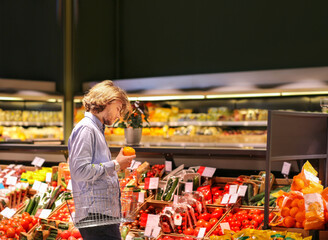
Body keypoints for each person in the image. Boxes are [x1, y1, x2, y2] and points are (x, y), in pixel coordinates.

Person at [68, 80, 136, 240]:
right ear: (106, 101)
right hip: (95, 216)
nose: (119, 116)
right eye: (118, 109)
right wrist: (116, 164)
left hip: (101, 215)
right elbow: (79, 171)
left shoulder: (95, 129)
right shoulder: (87, 129)